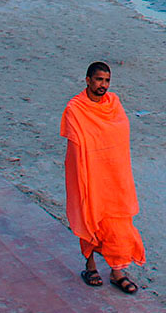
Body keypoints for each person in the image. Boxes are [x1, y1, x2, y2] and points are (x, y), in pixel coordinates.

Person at [61, 61, 145, 294]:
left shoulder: (113, 103)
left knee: (119, 221)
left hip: (114, 175)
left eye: (107, 80)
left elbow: (120, 131)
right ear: (87, 80)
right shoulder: (75, 108)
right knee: (90, 216)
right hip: (87, 172)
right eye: (99, 79)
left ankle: (118, 271)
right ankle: (90, 267)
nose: (103, 85)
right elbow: (79, 143)